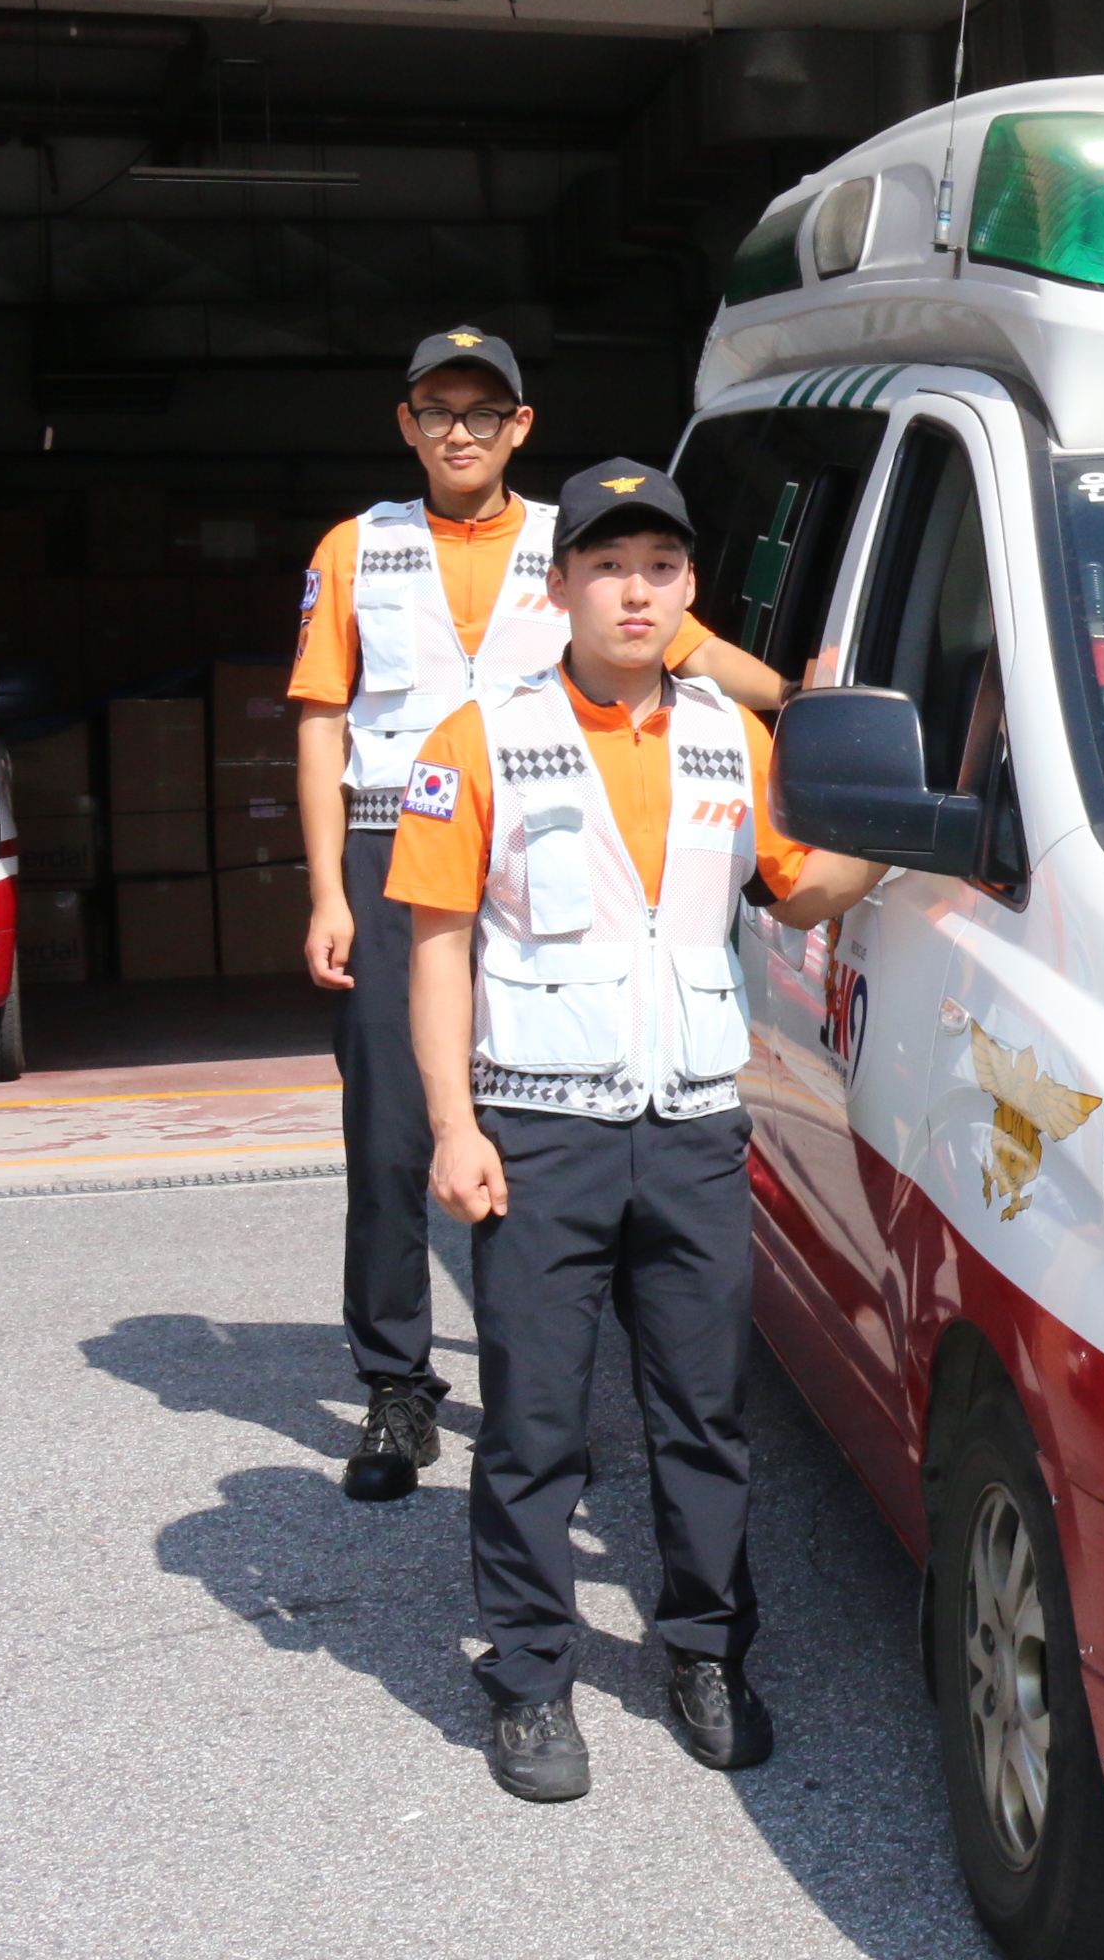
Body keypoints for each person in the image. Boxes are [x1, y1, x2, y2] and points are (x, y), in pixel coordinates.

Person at [388, 460, 875, 1802]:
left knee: (705, 1415)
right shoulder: (480, 739)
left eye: (660, 566)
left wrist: (915, 823)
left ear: (691, 588)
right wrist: (452, 1126)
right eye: (607, 565)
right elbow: (436, 950)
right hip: (539, 1133)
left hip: (693, 1132)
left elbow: (802, 887)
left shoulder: (733, 736)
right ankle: (530, 1675)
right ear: (560, 588)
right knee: (535, 1421)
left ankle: (707, 1653)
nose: (636, 591)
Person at [290, 328, 795, 1504]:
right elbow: (321, 717)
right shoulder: (358, 546)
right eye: (437, 409)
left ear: (521, 425)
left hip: (540, 843)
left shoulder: (575, 546)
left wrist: (810, 699)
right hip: (390, 842)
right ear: (406, 423)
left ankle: (551, 1390)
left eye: (484, 411)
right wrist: (325, 888)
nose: (459, 431)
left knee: (547, 1112)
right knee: (395, 1127)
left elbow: (693, 646)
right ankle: (397, 1381)